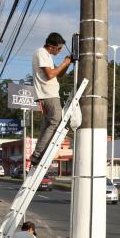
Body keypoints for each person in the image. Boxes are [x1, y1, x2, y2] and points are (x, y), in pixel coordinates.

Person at [30, 32, 73, 166]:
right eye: (59, 48)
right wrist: (64, 62)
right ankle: (38, 154)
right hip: (48, 94)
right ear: (51, 46)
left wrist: (67, 64)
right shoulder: (41, 53)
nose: (60, 51)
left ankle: (38, 154)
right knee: (56, 121)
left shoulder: (46, 55)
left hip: (48, 94)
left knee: (48, 125)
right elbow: (50, 75)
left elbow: (58, 74)